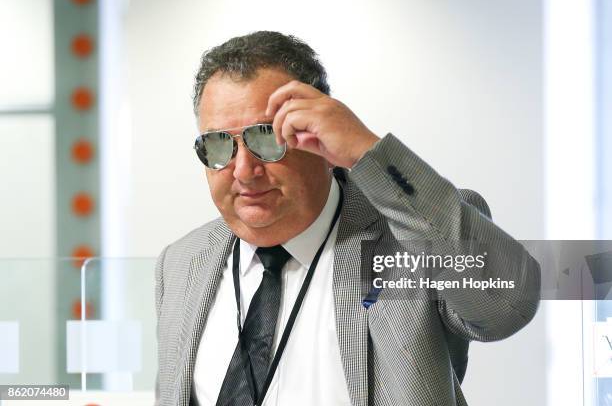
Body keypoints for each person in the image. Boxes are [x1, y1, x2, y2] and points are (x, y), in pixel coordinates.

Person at [155, 31, 540, 406]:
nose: (243, 170)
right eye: (218, 143)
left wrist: (365, 152)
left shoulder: (409, 238)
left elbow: (507, 306)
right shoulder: (181, 263)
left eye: (266, 138)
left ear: (318, 135)